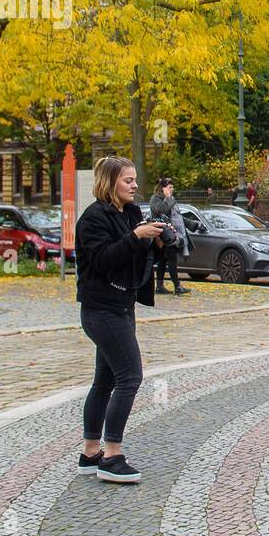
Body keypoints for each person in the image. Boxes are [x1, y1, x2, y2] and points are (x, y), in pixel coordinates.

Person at [74, 156, 167, 484]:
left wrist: (153, 239)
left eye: (134, 179)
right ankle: (112, 455)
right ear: (109, 182)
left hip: (121, 305)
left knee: (105, 380)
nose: (135, 185)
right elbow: (102, 261)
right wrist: (135, 236)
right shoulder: (92, 218)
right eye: (128, 180)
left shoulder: (129, 213)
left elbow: (133, 258)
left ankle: (90, 452)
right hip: (101, 310)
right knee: (130, 376)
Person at [149, 178, 190, 296]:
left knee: (164, 260)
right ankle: (177, 286)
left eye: (172, 188)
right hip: (163, 234)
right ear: (162, 188)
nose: (171, 190)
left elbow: (176, 215)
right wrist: (167, 198)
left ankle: (160, 286)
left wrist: (190, 224)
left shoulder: (171, 199)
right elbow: (160, 210)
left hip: (172, 232)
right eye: (169, 188)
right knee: (172, 260)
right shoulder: (155, 198)